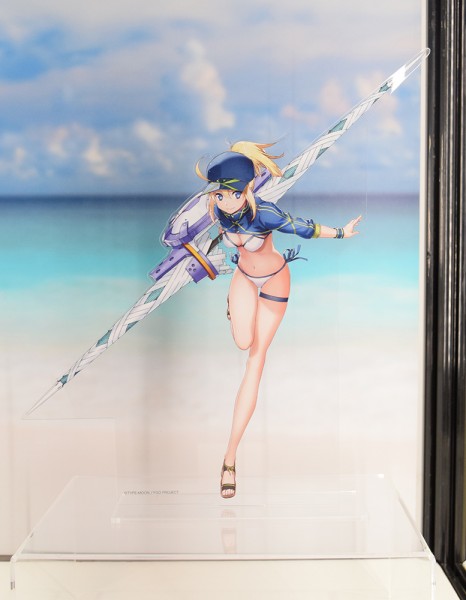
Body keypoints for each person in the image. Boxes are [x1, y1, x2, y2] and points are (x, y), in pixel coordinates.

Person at [197, 141, 362, 499]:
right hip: (243, 277)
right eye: (217, 194)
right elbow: (201, 238)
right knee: (242, 341)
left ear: (244, 190)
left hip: (274, 281)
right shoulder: (216, 211)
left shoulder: (265, 214)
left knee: (255, 360)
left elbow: (303, 228)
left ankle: (229, 460)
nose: (222, 200)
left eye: (229, 194)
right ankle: (234, 304)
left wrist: (341, 232)